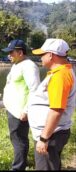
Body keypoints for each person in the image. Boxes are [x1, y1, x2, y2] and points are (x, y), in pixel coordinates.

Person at [28, 38, 76, 170]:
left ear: (51, 55)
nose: (40, 58)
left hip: (51, 135)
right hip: (53, 132)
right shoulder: (61, 72)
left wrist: (44, 138)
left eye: (42, 54)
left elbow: (56, 109)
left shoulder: (60, 76)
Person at [2, 39, 40, 170]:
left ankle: (18, 167)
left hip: (20, 112)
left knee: (19, 140)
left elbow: (34, 90)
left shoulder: (29, 66)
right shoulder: (17, 64)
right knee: (16, 139)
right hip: (13, 110)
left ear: (20, 52)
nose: (9, 55)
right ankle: (22, 163)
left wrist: (26, 110)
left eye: (11, 52)